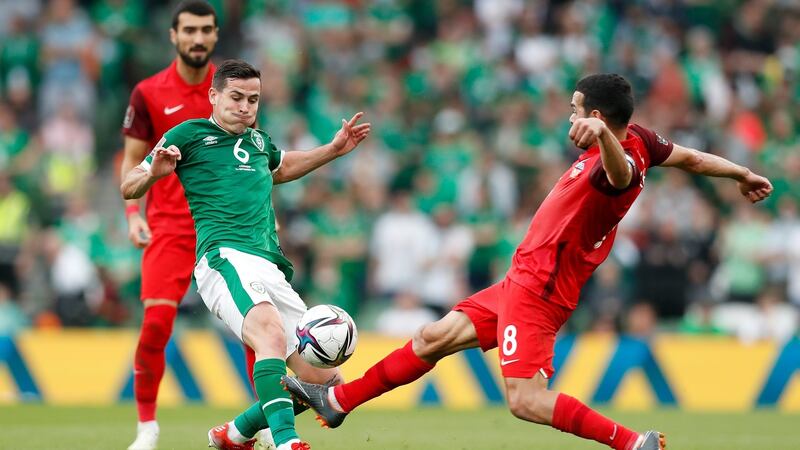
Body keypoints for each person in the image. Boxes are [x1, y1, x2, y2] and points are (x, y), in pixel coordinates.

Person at [283, 73, 773, 450]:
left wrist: (602, 136)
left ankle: (631, 442)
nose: (569, 118)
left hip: (541, 287)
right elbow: (690, 158)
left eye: (575, 111)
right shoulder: (644, 137)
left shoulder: (618, 163)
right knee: (433, 337)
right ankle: (339, 400)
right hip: (522, 278)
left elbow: (620, 174)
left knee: (524, 400)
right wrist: (743, 173)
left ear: (598, 115)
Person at [121, 59, 370, 450]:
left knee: (325, 381)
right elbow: (128, 185)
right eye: (236, 97)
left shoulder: (258, 141)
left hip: (269, 264)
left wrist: (334, 150)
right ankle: (287, 442)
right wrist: (154, 171)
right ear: (214, 96)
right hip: (223, 258)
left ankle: (234, 434)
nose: (245, 107)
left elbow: (283, 166)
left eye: (253, 99)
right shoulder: (189, 134)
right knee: (269, 334)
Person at [117, 3, 254, 449]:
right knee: (156, 325)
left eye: (206, 31)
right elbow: (131, 165)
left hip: (224, 226)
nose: (198, 38)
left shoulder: (233, 90)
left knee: (256, 326)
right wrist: (134, 216)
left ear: (216, 36)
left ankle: (266, 424)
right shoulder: (149, 92)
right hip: (171, 228)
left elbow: (250, 159)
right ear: (173, 35)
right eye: (190, 30)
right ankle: (147, 428)